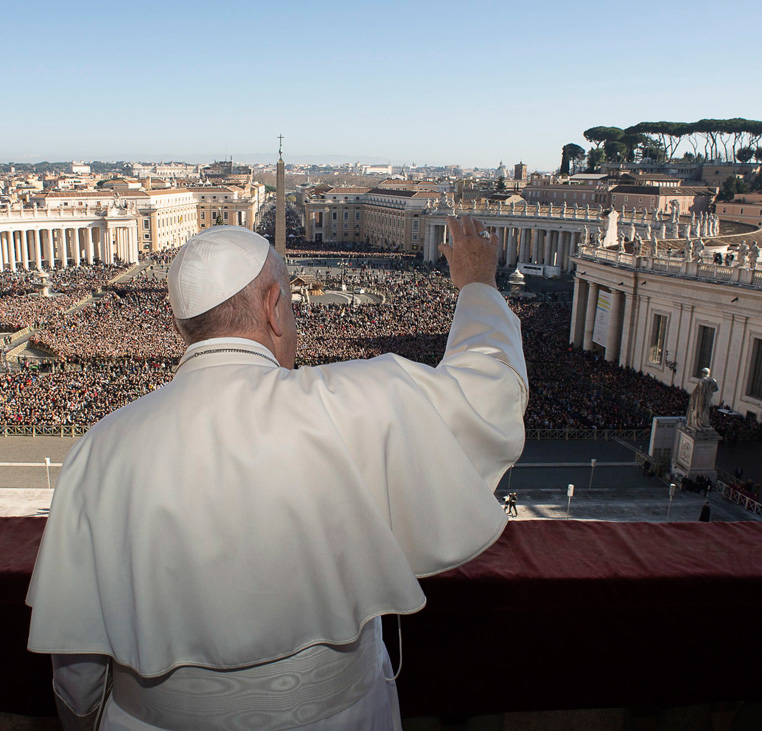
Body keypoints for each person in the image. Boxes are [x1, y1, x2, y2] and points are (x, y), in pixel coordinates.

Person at [27, 219, 527, 729]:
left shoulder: (98, 449)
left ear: (184, 327)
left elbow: (78, 662)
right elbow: (490, 392)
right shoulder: (351, 403)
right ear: (273, 308)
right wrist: (477, 284)